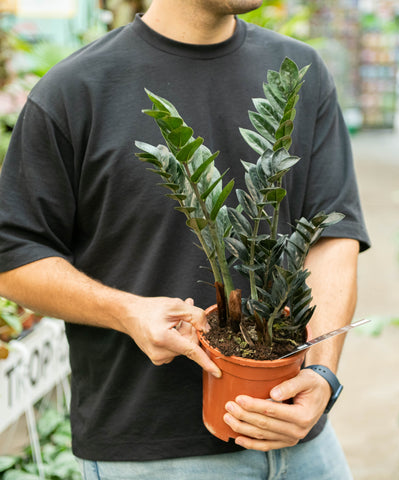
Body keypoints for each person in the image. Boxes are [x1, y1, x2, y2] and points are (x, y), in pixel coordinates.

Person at [0, 1, 370, 478]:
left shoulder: (299, 72)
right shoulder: (75, 90)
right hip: (151, 452)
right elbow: (12, 255)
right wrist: (127, 311)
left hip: (302, 442)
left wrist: (320, 374)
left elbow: (331, 236)